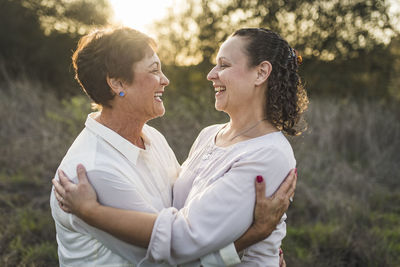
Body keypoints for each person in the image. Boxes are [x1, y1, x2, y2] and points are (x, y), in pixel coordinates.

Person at [53, 27, 307, 266]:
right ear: (118, 84)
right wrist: (255, 234)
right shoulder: (95, 171)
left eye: (224, 65)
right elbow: (169, 256)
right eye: (154, 70)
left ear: (261, 73)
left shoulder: (154, 139)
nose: (166, 80)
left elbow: (180, 226)